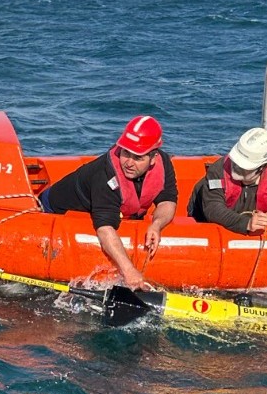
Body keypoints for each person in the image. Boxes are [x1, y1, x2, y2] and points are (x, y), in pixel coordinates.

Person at [39, 115, 178, 289]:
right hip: (52, 210)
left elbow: (167, 201)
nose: (129, 163)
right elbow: (105, 229)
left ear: (153, 158)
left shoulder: (163, 164)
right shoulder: (105, 175)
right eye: (125, 153)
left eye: (137, 157)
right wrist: (129, 271)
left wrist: (157, 225)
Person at [187, 127, 267, 240]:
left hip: (248, 218)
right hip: (205, 218)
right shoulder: (217, 170)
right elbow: (213, 208)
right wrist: (246, 223)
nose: (236, 169)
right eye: (235, 163)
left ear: (262, 167)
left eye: (244, 168)